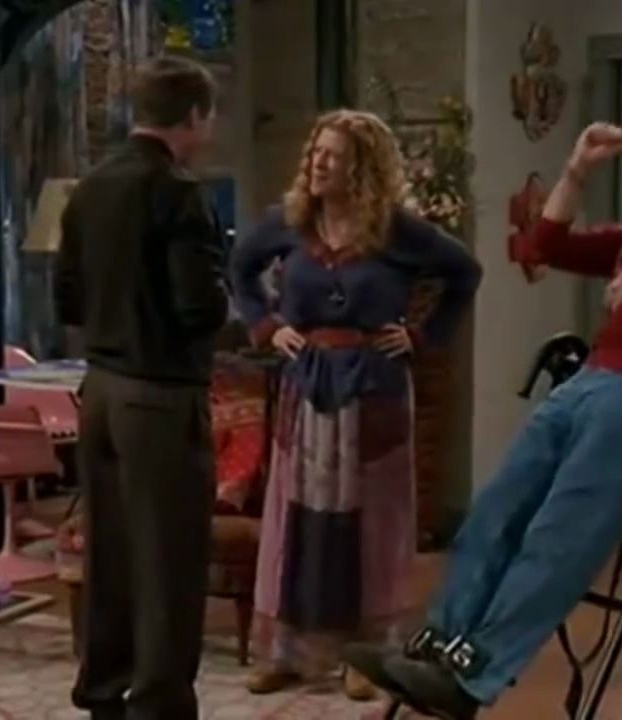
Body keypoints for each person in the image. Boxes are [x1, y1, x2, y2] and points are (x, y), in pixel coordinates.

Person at [343, 123, 622, 719]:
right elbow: (547, 244)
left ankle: (475, 677)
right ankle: (439, 647)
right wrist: (575, 169)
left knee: (558, 530)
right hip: (587, 384)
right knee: (496, 509)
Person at [229, 109, 482, 700]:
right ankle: (289, 651)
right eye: (316, 151)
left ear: (362, 168)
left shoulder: (398, 231)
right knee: (300, 521)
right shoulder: (290, 222)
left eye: (333, 155)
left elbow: (464, 274)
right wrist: (267, 326)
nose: (319, 163)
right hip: (307, 386)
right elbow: (240, 268)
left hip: (374, 389)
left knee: (371, 524)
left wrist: (422, 337)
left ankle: (365, 655)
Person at [53, 56, 229, 720]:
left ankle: (104, 690)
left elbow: (67, 297)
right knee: (169, 561)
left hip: (99, 390)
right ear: (195, 116)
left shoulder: (90, 187)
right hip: (158, 396)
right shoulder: (177, 191)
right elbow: (197, 307)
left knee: (111, 553)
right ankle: (159, 705)